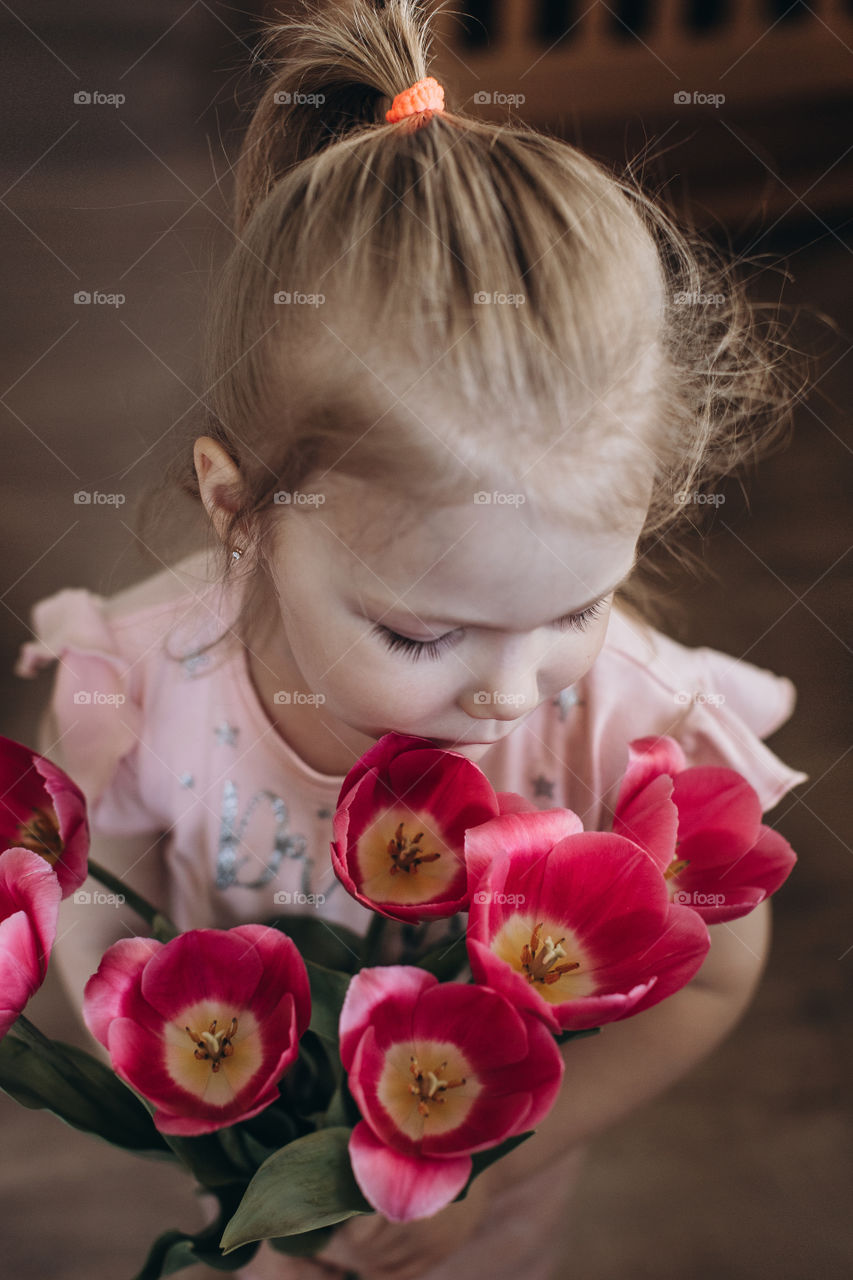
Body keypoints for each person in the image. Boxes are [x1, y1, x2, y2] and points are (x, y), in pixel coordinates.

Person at [14, 2, 810, 1277]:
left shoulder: (631, 724)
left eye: (571, 610)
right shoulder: (145, 683)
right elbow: (89, 914)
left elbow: (713, 977)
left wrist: (479, 1168)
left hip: (482, 1236)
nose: (509, 694)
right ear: (242, 512)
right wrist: (216, 1130)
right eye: (417, 631)